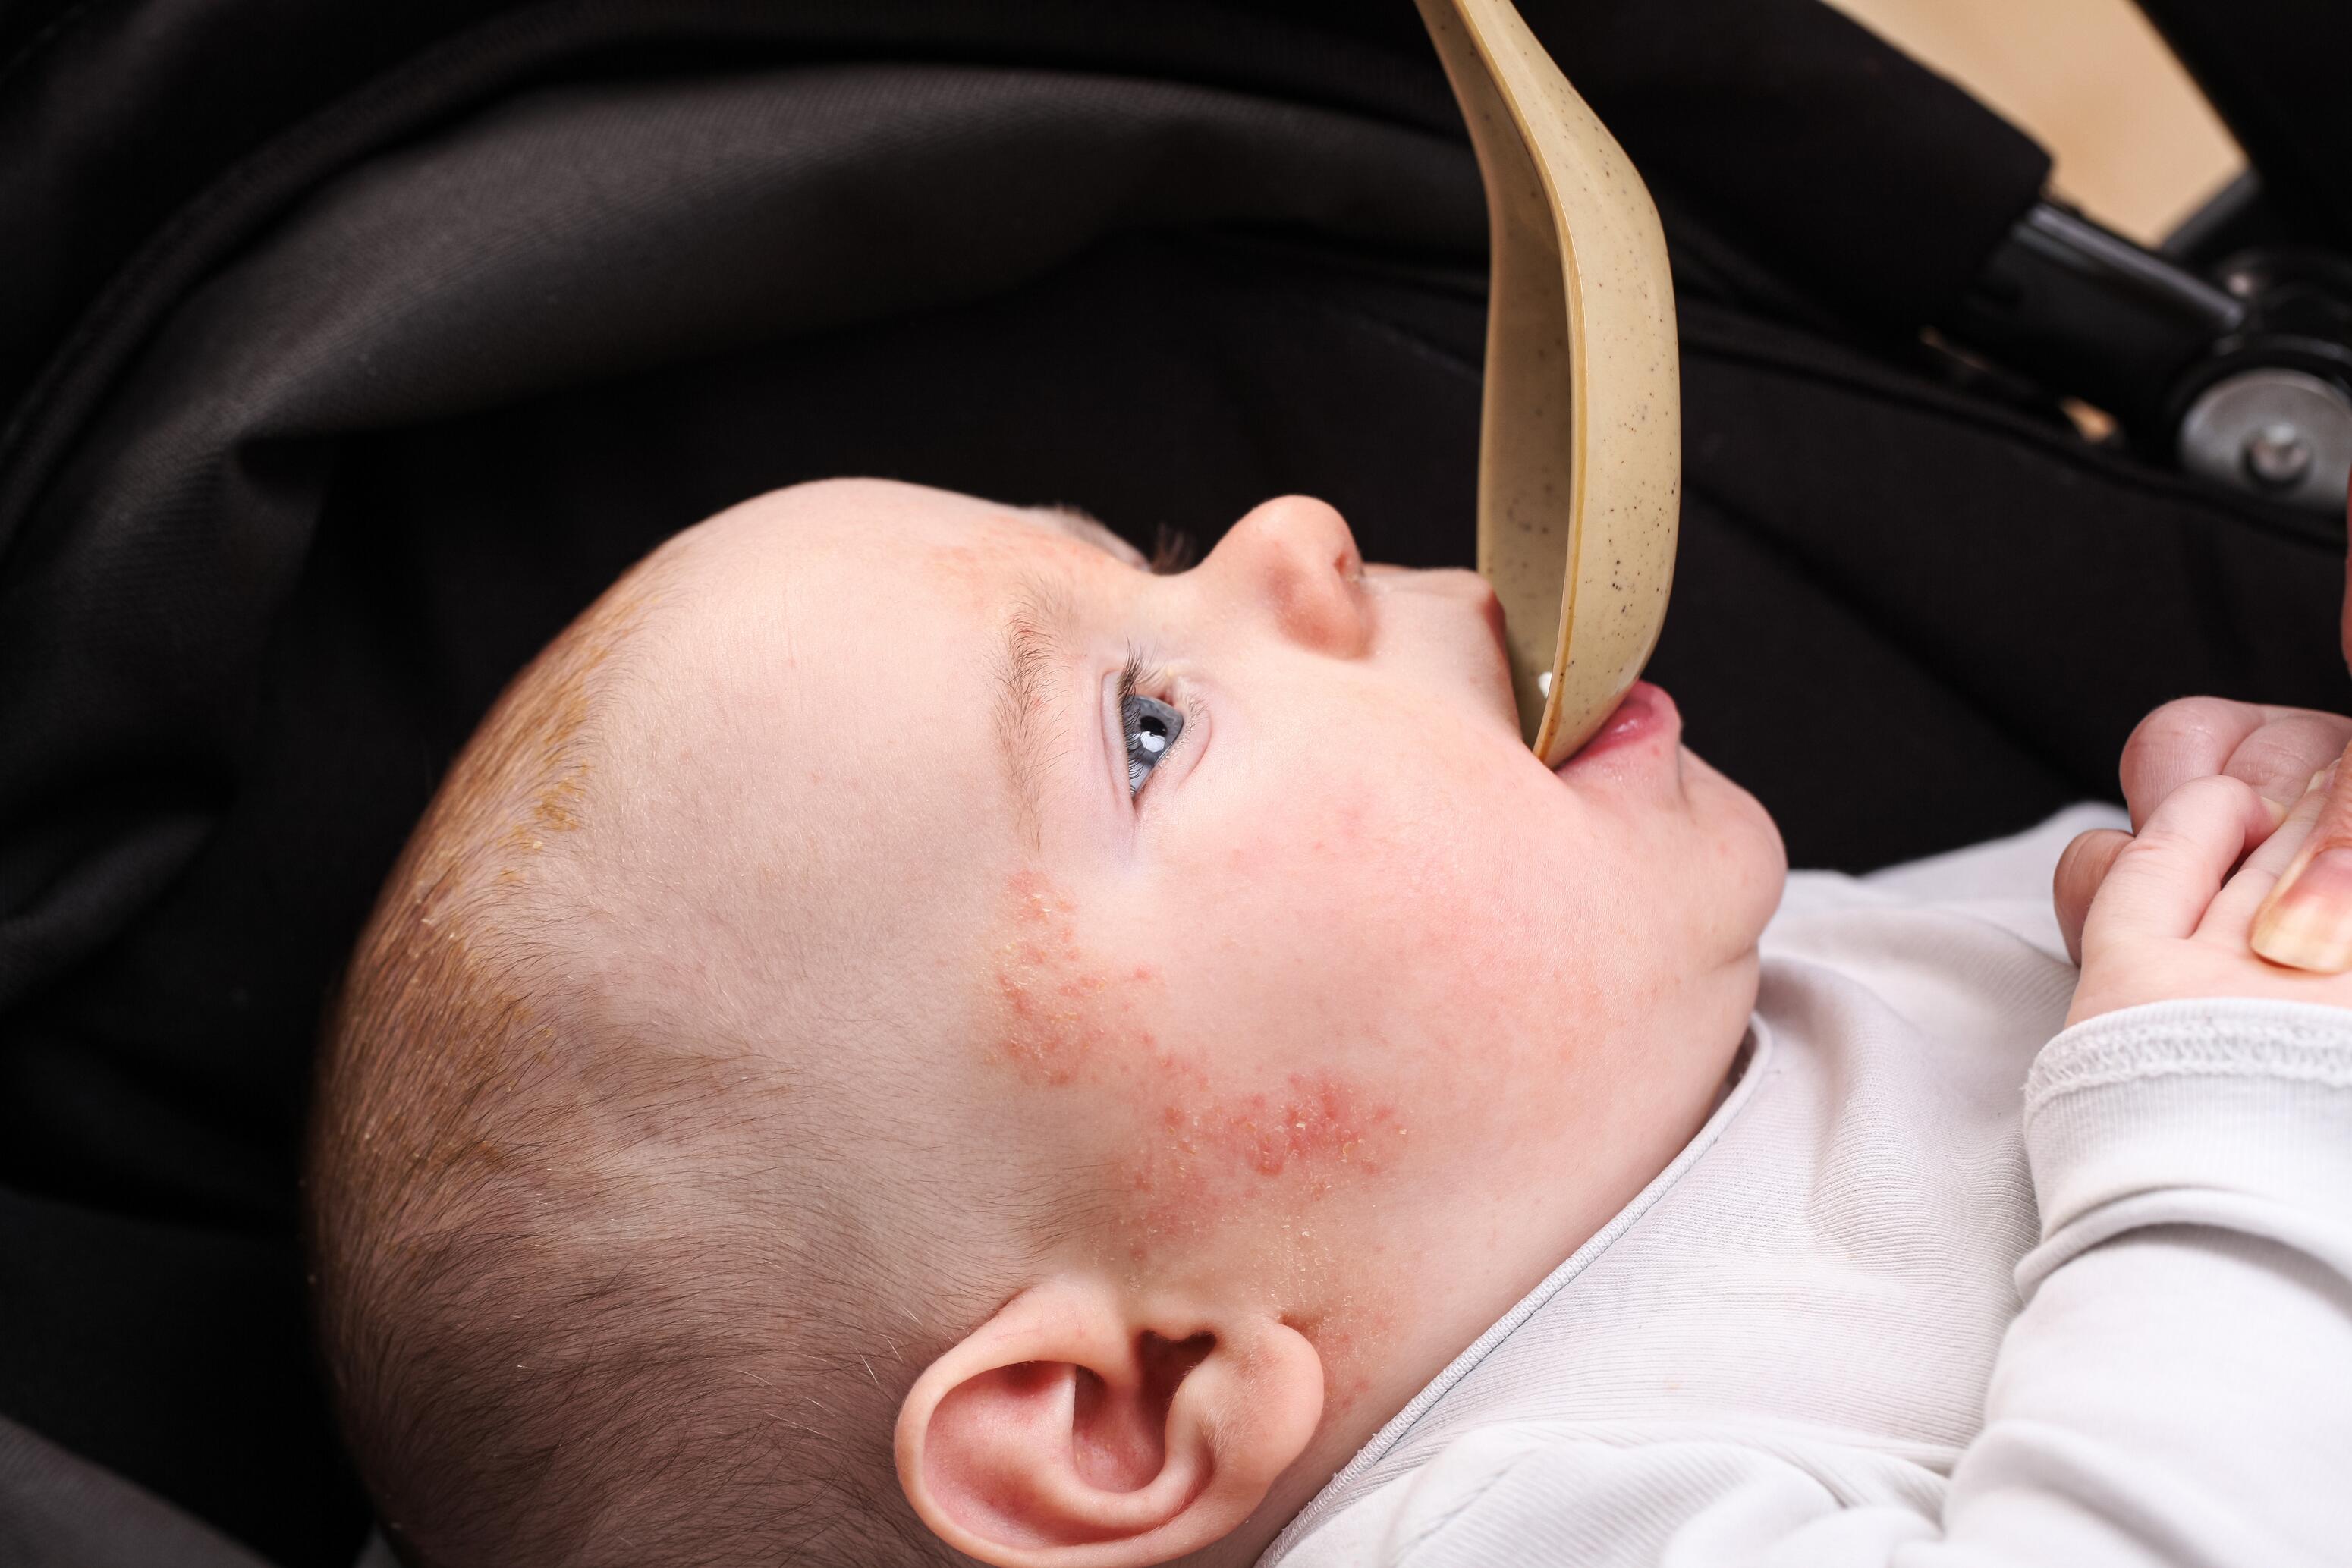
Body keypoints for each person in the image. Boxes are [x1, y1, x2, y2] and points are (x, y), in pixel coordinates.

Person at [304, 478, 2352, 1568]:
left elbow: (2205, 1029)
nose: (1299, 530)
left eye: (1159, 555)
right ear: (1128, 1401)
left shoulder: (1713, 1001)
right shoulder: (1510, 1515)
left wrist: (2241, 835)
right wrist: (2231, 1104)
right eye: (1142, 717)